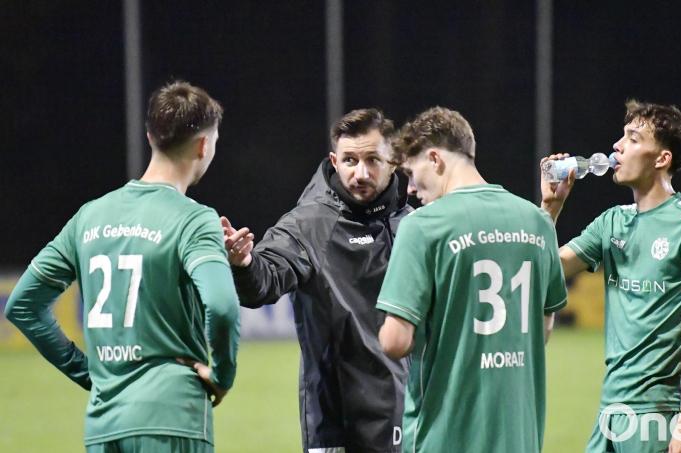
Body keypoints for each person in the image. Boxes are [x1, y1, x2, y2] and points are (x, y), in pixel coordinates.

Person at [4, 81, 240, 453]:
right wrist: (223, 375)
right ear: (203, 145)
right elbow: (223, 308)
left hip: (104, 422)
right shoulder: (195, 220)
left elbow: (22, 306)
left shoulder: (89, 217)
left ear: (150, 137)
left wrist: (88, 372)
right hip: (172, 416)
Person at [375, 106, 567, 452]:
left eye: (410, 171)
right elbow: (544, 328)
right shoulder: (536, 220)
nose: (410, 189)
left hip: (445, 436)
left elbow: (395, 341)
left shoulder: (422, 226)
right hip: (519, 437)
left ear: (434, 159)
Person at [222, 108, 411, 453]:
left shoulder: (414, 226)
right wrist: (244, 263)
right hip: (335, 420)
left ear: (394, 161)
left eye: (372, 160)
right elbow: (264, 280)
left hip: (411, 410)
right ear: (334, 161)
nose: (361, 172)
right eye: (350, 160)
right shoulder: (308, 225)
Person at [540, 101, 681, 453]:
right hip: (611, 407)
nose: (616, 146)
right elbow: (544, 272)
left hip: (659, 411)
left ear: (661, 159)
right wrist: (550, 210)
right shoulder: (612, 221)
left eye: (632, 139)